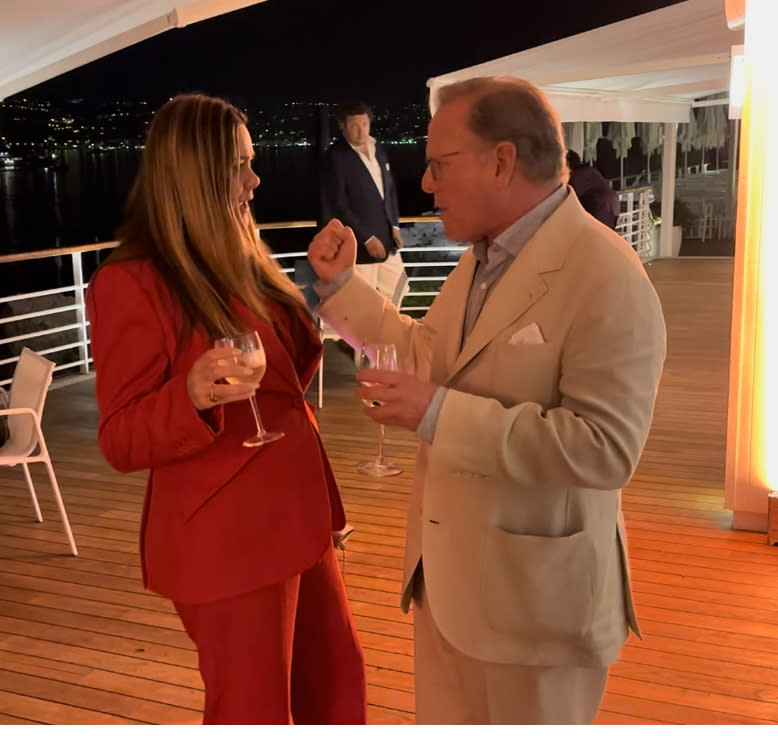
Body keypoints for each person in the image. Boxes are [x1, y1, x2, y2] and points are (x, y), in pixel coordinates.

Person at [307, 76, 666, 724]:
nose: (423, 184)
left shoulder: (606, 274)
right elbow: (427, 354)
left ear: (502, 161)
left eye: (439, 165)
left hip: (534, 613)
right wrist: (339, 289)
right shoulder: (481, 261)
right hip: (450, 589)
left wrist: (436, 413)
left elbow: (604, 449)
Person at [86, 93, 366, 725]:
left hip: (297, 515)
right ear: (197, 173)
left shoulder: (239, 252)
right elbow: (120, 439)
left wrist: (319, 286)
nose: (255, 178)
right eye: (241, 164)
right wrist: (189, 396)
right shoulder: (132, 282)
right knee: (255, 711)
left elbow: (288, 379)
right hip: (228, 541)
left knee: (333, 689)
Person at [319, 100, 407, 302]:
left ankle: (389, 332)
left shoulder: (379, 150)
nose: (361, 132)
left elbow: (389, 191)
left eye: (365, 124)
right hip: (358, 245)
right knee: (362, 300)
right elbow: (338, 204)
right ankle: (366, 334)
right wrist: (366, 237)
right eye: (354, 126)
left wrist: (394, 226)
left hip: (388, 240)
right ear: (342, 127)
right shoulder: (336, 157)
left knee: (397, 290)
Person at [566, 149, 621, 229]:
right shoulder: (589, 170)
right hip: (612, 205)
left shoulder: (577, 176)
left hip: (601, 205)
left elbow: (569, 199)